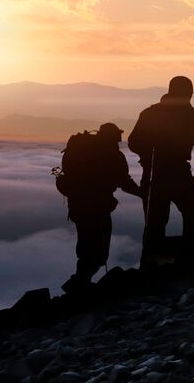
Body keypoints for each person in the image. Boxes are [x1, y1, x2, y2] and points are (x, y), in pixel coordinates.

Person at [129, 76, 194, 260]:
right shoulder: (192, 115)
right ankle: (191, 259)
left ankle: (151, 266)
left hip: (154, 173)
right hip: (178, 173)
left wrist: (148, 155)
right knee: (193, 217)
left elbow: (133, 142)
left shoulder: (150, 113)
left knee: (155, 223)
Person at [57, 123, 143, 291]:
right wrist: (142, 193)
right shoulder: (113, 155)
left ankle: (79, 283)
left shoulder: (82, 149)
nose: (119, 141)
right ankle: (78, 285)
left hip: (78, 206)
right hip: (98, 208)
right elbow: (124, 182)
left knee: (86, 246)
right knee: (99, 251)